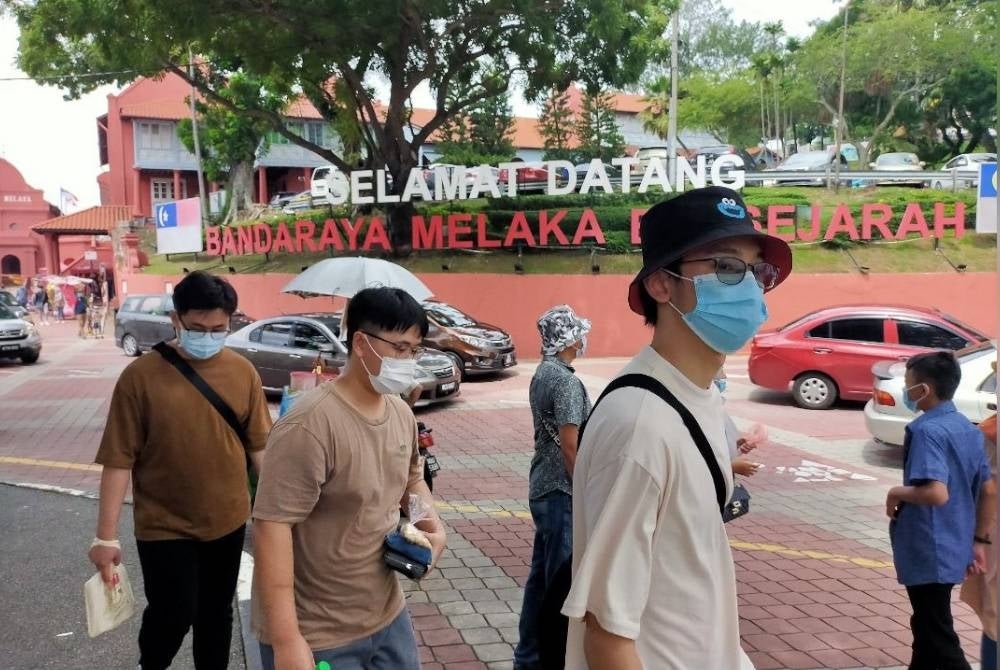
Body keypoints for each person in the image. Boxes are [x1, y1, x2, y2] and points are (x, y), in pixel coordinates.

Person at [561, 186, 792, 669]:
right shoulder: (640, 425)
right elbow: (606, 635)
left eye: (757, 271)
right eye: (727, 267)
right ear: (661, 285)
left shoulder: (700, 396)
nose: (749, 287)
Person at [252, 286, 447, 670]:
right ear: (361, 343)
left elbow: (411, 481)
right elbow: (272, 528)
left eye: (415, 350)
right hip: (320, 633)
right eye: (401, 348)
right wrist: (287, 639)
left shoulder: (401, 413)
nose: (409, 360)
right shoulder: (309, 425)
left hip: (388, 616)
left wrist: (431, 527)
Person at [88, 270, 272, 670]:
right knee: (173, 612)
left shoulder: (243, 372)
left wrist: (277, 513)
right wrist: (105, 537)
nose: (208, 336)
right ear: (176, 320)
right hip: (164, 526)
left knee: (216, 614)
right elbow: (119, 460)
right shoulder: (140, 378)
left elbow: (259, 446)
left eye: (218, 328)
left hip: (227, 519)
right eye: (197, 328)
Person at [886, 351, 996, 670]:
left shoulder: (927, 431)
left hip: (929, 546)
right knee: (926, 626)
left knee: (938, 634)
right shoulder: (967, 428)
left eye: (909, 385)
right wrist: (978, 542)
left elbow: (935, 492)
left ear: (925, 389)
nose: (906, 391)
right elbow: (988, 490)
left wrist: (896, 491)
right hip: (954, 544)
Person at [515, 305, 592, 670]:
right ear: (567, 339)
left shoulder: (543, 374)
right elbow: (570, 443)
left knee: (539, 581)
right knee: (558, 585)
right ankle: (550, 658)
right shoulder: (565, 381)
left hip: (542, 486)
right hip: (562, 490)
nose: (582, 339)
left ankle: (527, 656)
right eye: (578, 333)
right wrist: (585, 492)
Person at [961, 391, 998, 670]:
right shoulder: (987, 433)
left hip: (991, 537)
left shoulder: (987, 433)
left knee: (994, 616)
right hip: (991, 536)